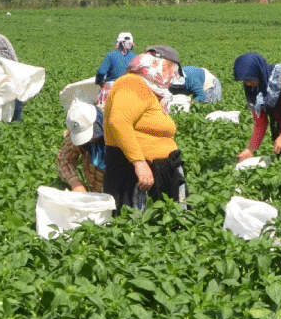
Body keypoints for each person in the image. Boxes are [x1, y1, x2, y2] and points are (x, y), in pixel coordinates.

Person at [103, 46, 187, 214]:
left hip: (157, 169)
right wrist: (139, 163)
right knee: (137, 226)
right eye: (172, 70)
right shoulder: (132, 83)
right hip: (135, 174)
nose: (172, 77)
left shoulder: (147, 88)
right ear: (158, 65)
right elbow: (119, 121)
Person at [57, 101, 106, 193]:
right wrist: (75, 184)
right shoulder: (76, 130)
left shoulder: (119, 128)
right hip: (94, 191)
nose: (90, 140)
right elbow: (65, 159)